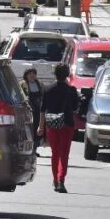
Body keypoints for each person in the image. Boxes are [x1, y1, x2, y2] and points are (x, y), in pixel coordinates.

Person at [37, 64, 80, 193]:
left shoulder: (48, 89)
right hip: (67, 123)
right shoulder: (71, 90)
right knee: (64, 153)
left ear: (55, 74)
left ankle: (55, 179)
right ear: (67, 75)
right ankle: (61, 180)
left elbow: (43, 109)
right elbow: (74, 108)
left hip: (52, 123)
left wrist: (40, 126)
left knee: (55, 153)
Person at [22, 69, 44, 151]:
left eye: (34, 73)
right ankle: (27, 149)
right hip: (28, 110)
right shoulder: (22, 84)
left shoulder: (40, 84)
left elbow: (43, 95)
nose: (32, 75)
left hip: (38, 110)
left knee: (37, 129)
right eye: (30, 74)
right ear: (26, 75)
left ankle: (34, 149)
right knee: (28, 130)